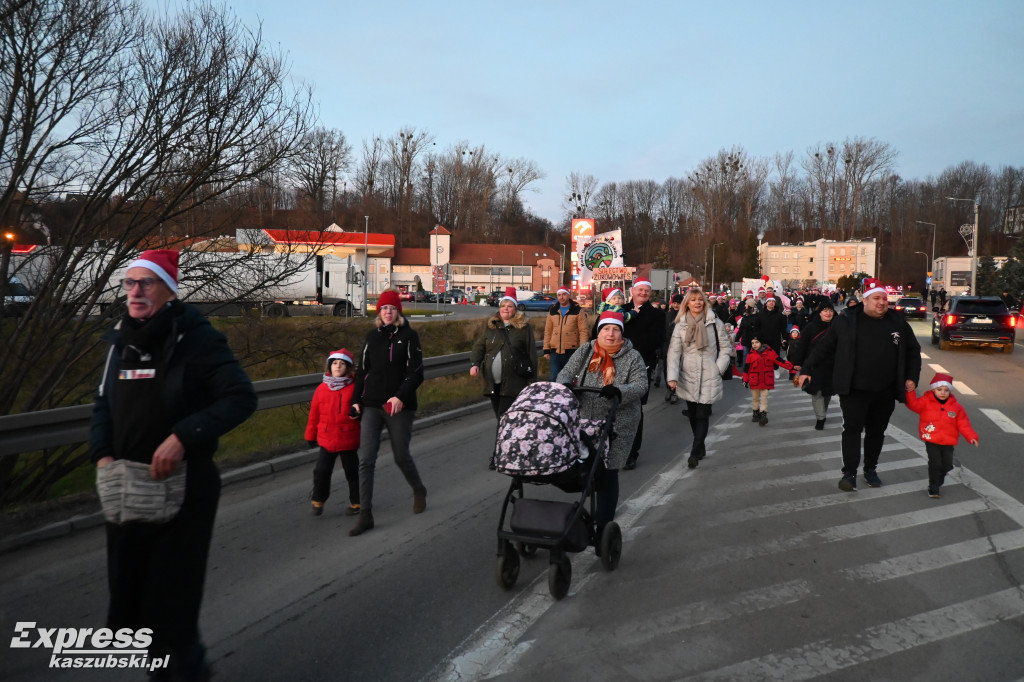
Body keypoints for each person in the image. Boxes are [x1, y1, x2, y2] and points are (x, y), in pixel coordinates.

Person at [90, 249, 257, 680]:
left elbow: (240, 397)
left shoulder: (197, 338)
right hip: (127, 487)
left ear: (168, 289)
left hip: (185, 490)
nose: (136, 292)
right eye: (130, 283)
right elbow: (102, 405)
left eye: (146, 283)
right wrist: (103, 454)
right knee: (133, 606)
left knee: (173, 609)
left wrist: (184, 437)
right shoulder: (119, 341)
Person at [797, 277, 922, 492]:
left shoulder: (897, 322)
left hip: (885, 389)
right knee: (852, 429)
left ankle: (871, 469)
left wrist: (911, 377)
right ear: (865, 300)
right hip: (854, 389)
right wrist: (806, 369)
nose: (882, 302)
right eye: (876, 298)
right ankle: (849, 473)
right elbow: (824, 347)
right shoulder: (846, 320)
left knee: (877, 431)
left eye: (884, 298)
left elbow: (913, 351)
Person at [556, 311, 647, 544]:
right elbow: (566, 371)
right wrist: (565, 384)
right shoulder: (586, 350)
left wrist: (619, 391)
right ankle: (584, 513)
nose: (610, 333)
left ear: (621, 333)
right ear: (599, 331)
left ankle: (604, 523)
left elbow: (640, 385)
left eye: (615, 329)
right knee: (585, 468)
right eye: (606, 329)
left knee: (608, 472)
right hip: (585, 418)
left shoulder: (633, 356)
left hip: (618, 422)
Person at [349, 288, 428, 536]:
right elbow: (362, 371)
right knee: (366, 459)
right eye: (384, 308)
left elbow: (416, 373)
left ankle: (418, 488)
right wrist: (355, 400)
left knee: (400, 455)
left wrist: (400, 396)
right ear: (378, 311)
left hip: (399, 406)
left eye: (392, 308)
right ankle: (365, 514)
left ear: (398, 312)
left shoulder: (409, 336)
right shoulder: (372, 336)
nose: (388, 312)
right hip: (372, 404)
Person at [471, 287, 538, 467]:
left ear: (515, 309)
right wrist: (475, 364)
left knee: (503, 418)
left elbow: (531, 355)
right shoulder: (491, 326)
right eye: (503, 306)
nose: (506, 309)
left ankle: (498, 456)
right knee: (503, 419)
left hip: (514, 383)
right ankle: (519, 449)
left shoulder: (523, 328)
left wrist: (532, 384)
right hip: (493, 384)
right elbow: (479, 347)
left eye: (509, 306)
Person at [666, 288, 732, 469]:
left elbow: (726, 348)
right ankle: (700, 445)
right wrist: (672, 377)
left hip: (709, 371)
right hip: (687, 373)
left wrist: (719, 368)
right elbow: (674, 352)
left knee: (703, 413)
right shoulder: (680, 325)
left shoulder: (715, 322)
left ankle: (694, 452)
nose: (697, 303)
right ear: (687, 303)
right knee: (693, 414)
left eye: (700, 300)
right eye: (693, 300)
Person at [905, 373, 979, 498]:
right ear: (933, 389)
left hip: (948, 441)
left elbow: (963, 423)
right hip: (931, 439)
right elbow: (913, 404)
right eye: (939, 390)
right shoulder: (926, 402)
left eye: (946, 390)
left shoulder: (956, 407)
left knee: (947, 465)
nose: (943, 393)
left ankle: (938, 479)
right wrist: (910, 391)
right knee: (935, 464)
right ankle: (933, 487)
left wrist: (971, 436)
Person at [305, 348, 361, 516]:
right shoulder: (321, 389)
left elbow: (362, 410)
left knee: (352, 472)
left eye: (342, 364)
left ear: (348, 368)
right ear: (330, 366)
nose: (338, 366)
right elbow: (314, 414)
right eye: (335, 363)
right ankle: (318, 500)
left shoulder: (354, 389)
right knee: (321, 471)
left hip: (348, 438)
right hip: (326, 438)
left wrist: (356, 414)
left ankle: (357, 502)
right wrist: (310, 435)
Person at [621, 279, 665, 470]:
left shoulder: (656, 314)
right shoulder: (619, 309)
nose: (644, 293)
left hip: (641, 366)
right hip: (614, 366)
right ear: (633, 291)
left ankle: (631, 452)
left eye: (647, 291)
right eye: (640, 290)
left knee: (635, 410)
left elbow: (656, 339)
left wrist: (626, 343)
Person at [789, 302, 836, 430]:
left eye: (830, 310)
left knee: (827, 392)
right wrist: (798, 363)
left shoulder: (838, 326)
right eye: (825, 310)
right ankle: (820, 418)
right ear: (820, 312)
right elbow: (802, 346)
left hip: (833, 365)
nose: (828, 313)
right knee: (817, 392)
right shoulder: (811, 327)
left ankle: (823, 413)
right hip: (815, 365)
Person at [742, 336, 793, 426]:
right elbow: (746, 369)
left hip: (766, 380)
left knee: (764, 399)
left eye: (756, 342)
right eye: (752, 343)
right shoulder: (750, 355)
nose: (754, 345)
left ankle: (763, 415)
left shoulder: (770, 352)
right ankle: (755, 413)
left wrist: (791, 366)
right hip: (754, 380)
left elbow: (779, 361)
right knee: (755, 398)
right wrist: (745, 380)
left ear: (761, 342)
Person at [543, 287, 589, 380]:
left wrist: (582, 350)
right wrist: (546, 349)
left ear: (569, 295)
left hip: (572, 352)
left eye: (564, 294)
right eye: (559, 295)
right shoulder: (553, 311)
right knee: (554, 379)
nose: (561, 297)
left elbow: (583, 331)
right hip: (555, 353)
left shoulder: (578, 311)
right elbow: (548, 331)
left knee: (570, 379)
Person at [661, 293, 684, 403]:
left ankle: (676, 391)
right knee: (667, 369)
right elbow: (663, 331)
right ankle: (669, 388)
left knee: (677, 369)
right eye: (674, 303)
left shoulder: (685, 316)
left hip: (680, 348)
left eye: (678, 303)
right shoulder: (668, 315)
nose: (676, 305)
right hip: (668, 346)